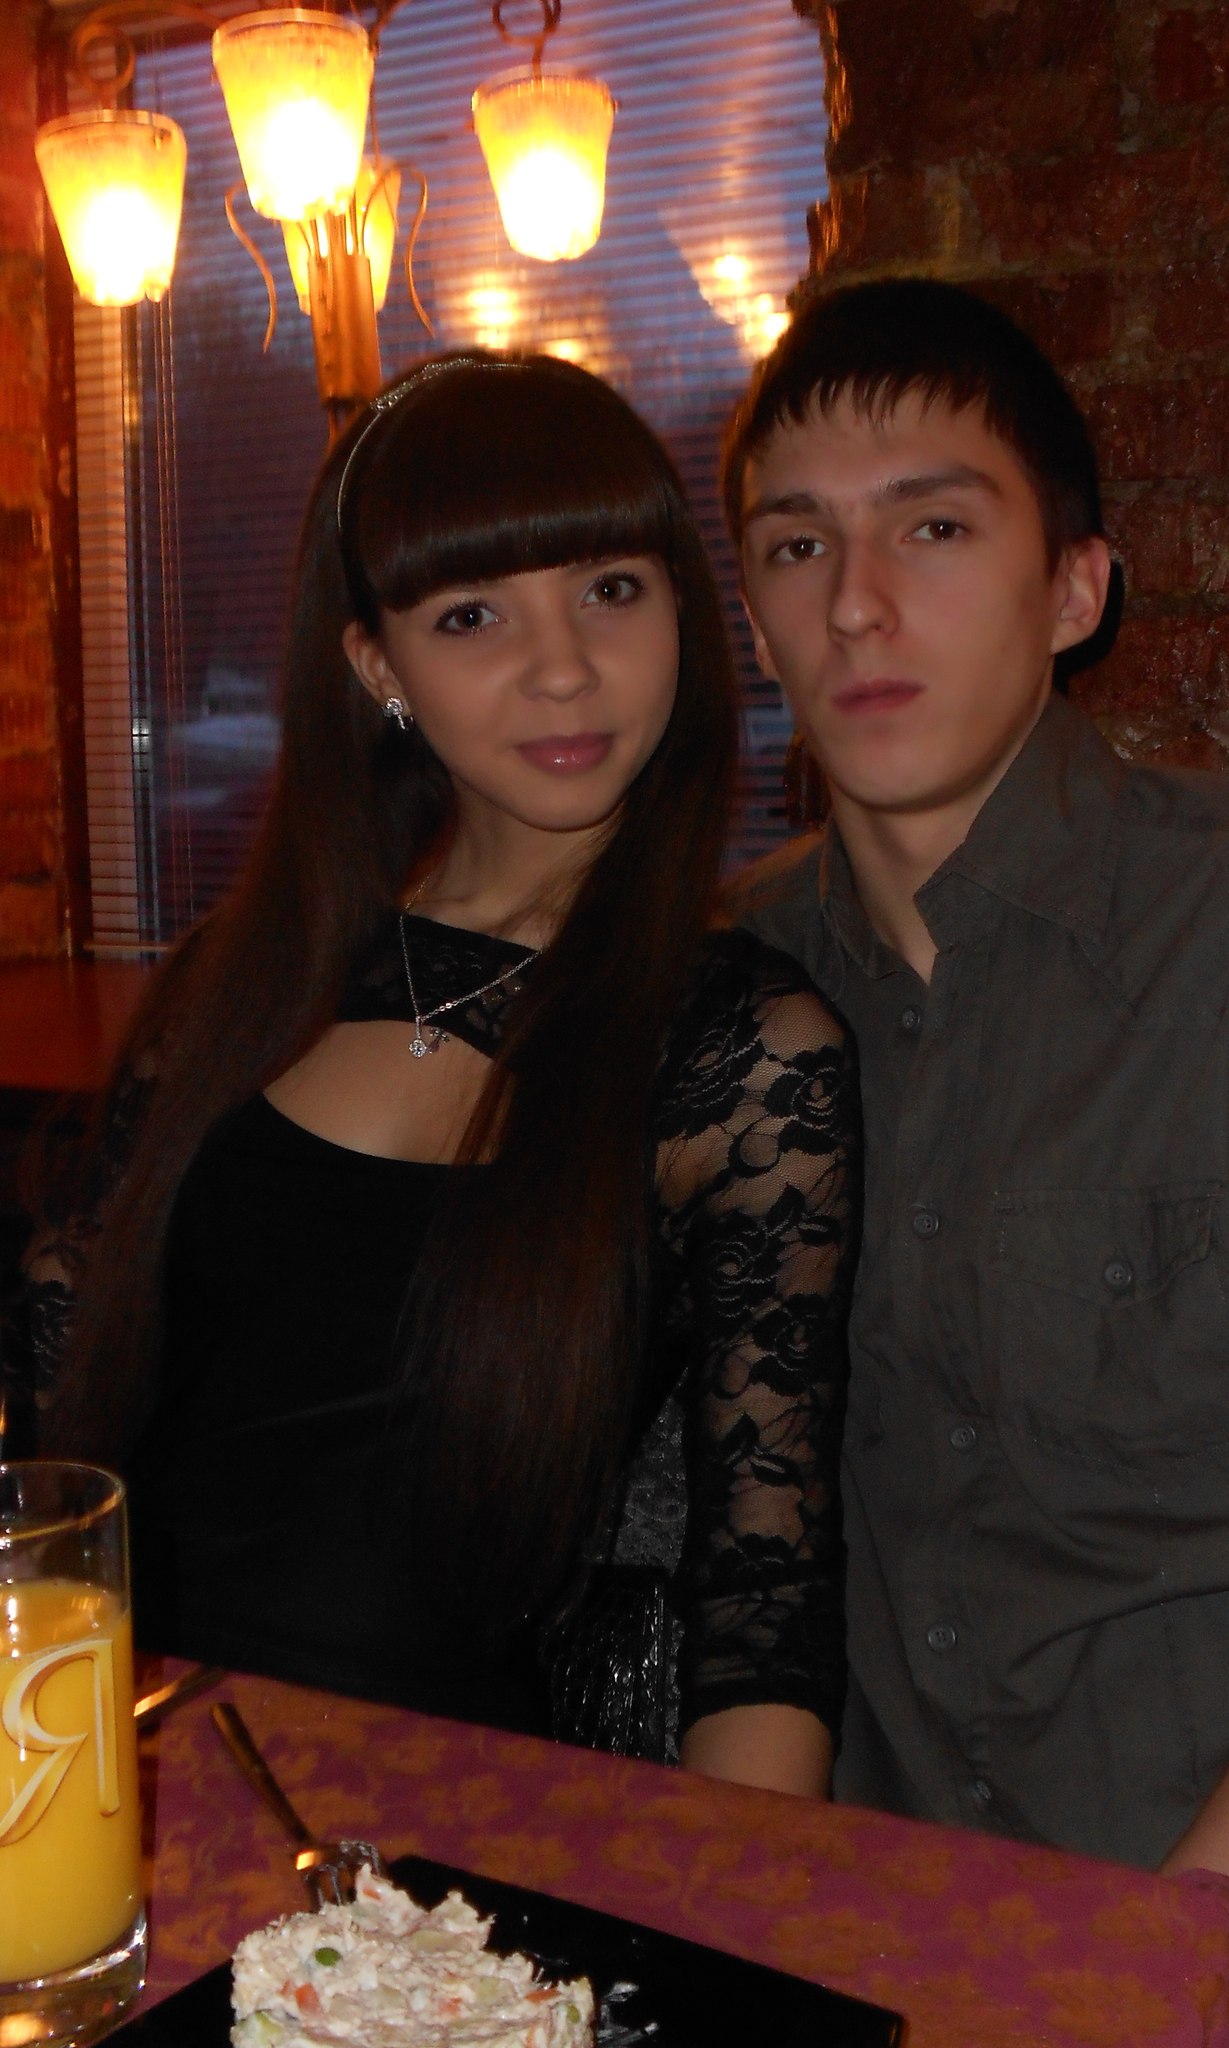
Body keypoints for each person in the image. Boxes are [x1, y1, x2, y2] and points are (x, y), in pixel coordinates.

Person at [724, 277, 1229, 2039]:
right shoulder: (724, 996)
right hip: (905, 1954)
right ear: (757, 625)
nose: (858, 600)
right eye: (797, 548)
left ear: (1076, 588)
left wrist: (1141, 1987)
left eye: (936, 526)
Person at [13, 350, 859, 1797]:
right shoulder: (244, 977)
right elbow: (58, 1408)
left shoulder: (743, 1050)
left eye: (611, 589)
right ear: (376, 666)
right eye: (473, 614)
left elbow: (763, 1600)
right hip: (103, 1780)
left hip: (442, 1847)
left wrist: (729, 1908)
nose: (563, 667)